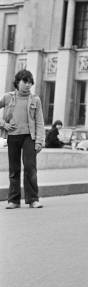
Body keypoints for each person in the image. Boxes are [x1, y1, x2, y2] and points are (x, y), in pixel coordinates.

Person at [1, 69, 45, 209]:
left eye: (30, 82)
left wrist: (39, 141)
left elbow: (40, 121)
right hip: (13, 137)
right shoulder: (8, 97)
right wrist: (3, 124)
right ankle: (13, 200)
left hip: (29, 137)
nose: (28, 85)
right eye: (25, 82)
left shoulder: (35, 99)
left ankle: (33, 199)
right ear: (17, 82)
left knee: (30, 168)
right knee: (14, 169)